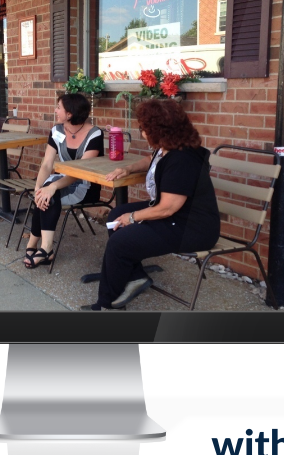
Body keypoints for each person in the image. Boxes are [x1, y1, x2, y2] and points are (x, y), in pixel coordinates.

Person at [81, 98, 220, 311]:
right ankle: (135, 276)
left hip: (191, 228)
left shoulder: (183, 159)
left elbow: (168, 208)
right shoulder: (168, 147)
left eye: (143, 128)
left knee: (120, 241)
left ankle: (106, 303)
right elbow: (151, 160)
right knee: (115, 214)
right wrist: (129, 169)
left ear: (158, 130)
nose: (141, 132)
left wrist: (134, 217)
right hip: (177, 216)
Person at [22, 93, 104, 269]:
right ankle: (37, 246)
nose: (55, 110)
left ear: (70, 114)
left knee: (49, 195)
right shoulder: (57, 131)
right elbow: (46, 165)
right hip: (60, 180)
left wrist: (52, 187)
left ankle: (45, 249)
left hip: (85, 185)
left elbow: (81, 171)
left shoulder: (94, 134)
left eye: (59, 107)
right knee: (43, 193)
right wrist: (38, 188)